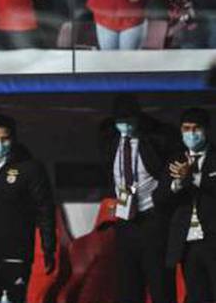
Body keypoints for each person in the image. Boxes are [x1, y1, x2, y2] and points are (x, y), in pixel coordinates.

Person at [0, 115, 56, 303]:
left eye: (4, 139)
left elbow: (45, 210)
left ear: (12, 139)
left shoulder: (31, 169)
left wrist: (48, 247)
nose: (0, 143)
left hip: (16, 252)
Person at [99, 94, 176, 303]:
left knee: (160, 284)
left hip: (152, 219)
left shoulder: (155, 142)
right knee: (128, 286)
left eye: (129, 120)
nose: (125, 125)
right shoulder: (111, 141)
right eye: (120, 121)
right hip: (125, 222)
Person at [156, 108, 216, 303]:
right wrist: (178, 183)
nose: (191, 133)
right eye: (186, 128)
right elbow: (160, 198)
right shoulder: (176, 161)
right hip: (187, 242)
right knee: (197, 295)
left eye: (196, 128)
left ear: (206, 130)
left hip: (212, 239)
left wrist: (193, 177)